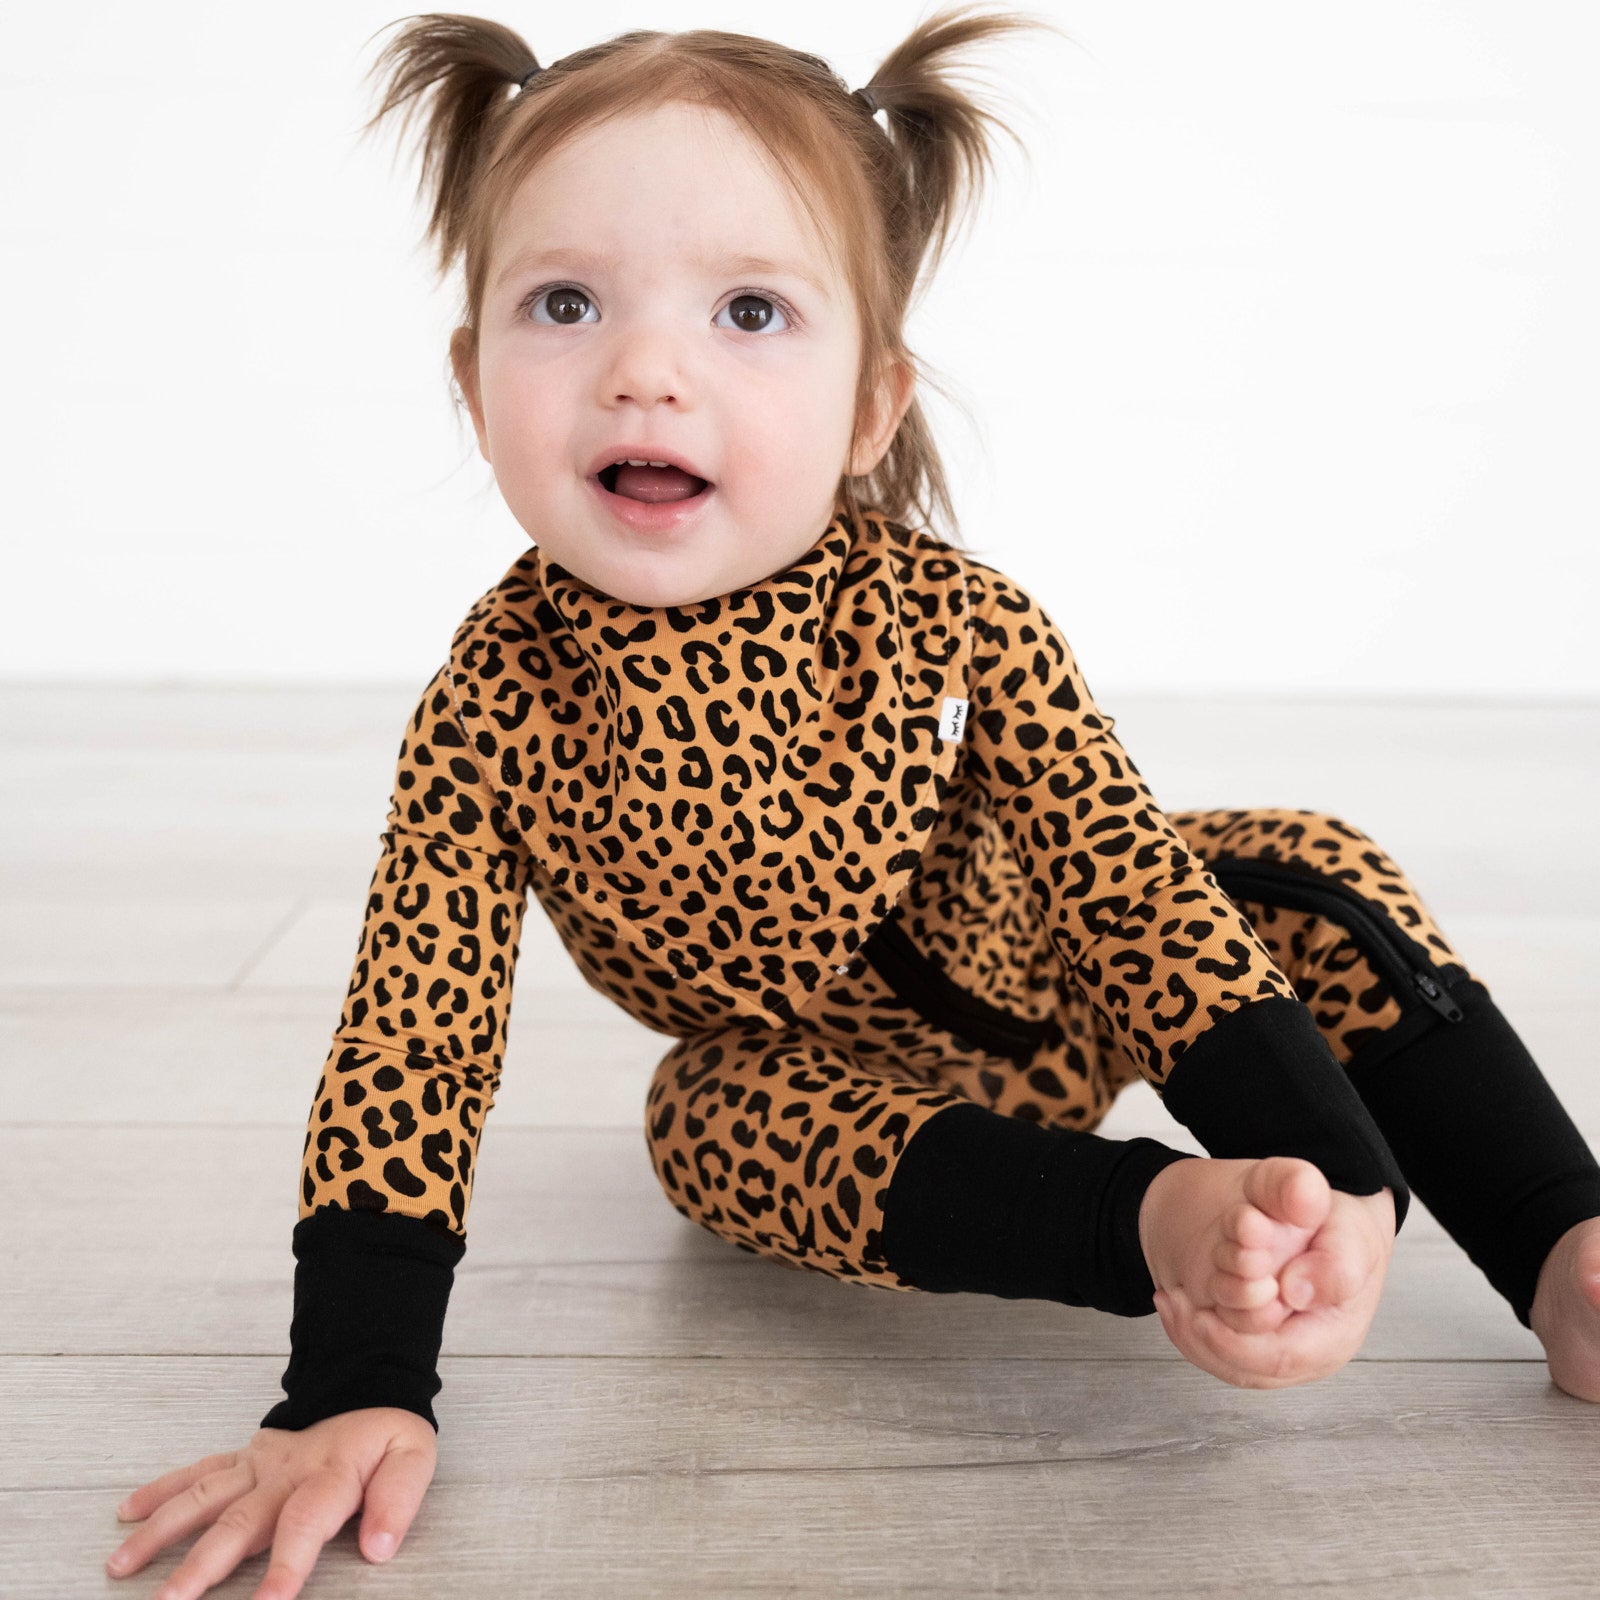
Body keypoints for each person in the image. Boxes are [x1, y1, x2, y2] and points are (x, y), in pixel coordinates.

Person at [107, 7, 1600, 1596]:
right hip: (833, 1097)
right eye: (564, 303)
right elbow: (417, 1032)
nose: (645, 372)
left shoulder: (955, 619)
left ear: (871, 406)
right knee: (701, 1124)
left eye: (749, 310)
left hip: (1074, 973)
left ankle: (1561, 1244)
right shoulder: (496, 705)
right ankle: (1155, 1222)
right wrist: (353, 1378)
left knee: (1295, 864)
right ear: (472, 381)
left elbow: (1130, 892)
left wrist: (1328, 1181)